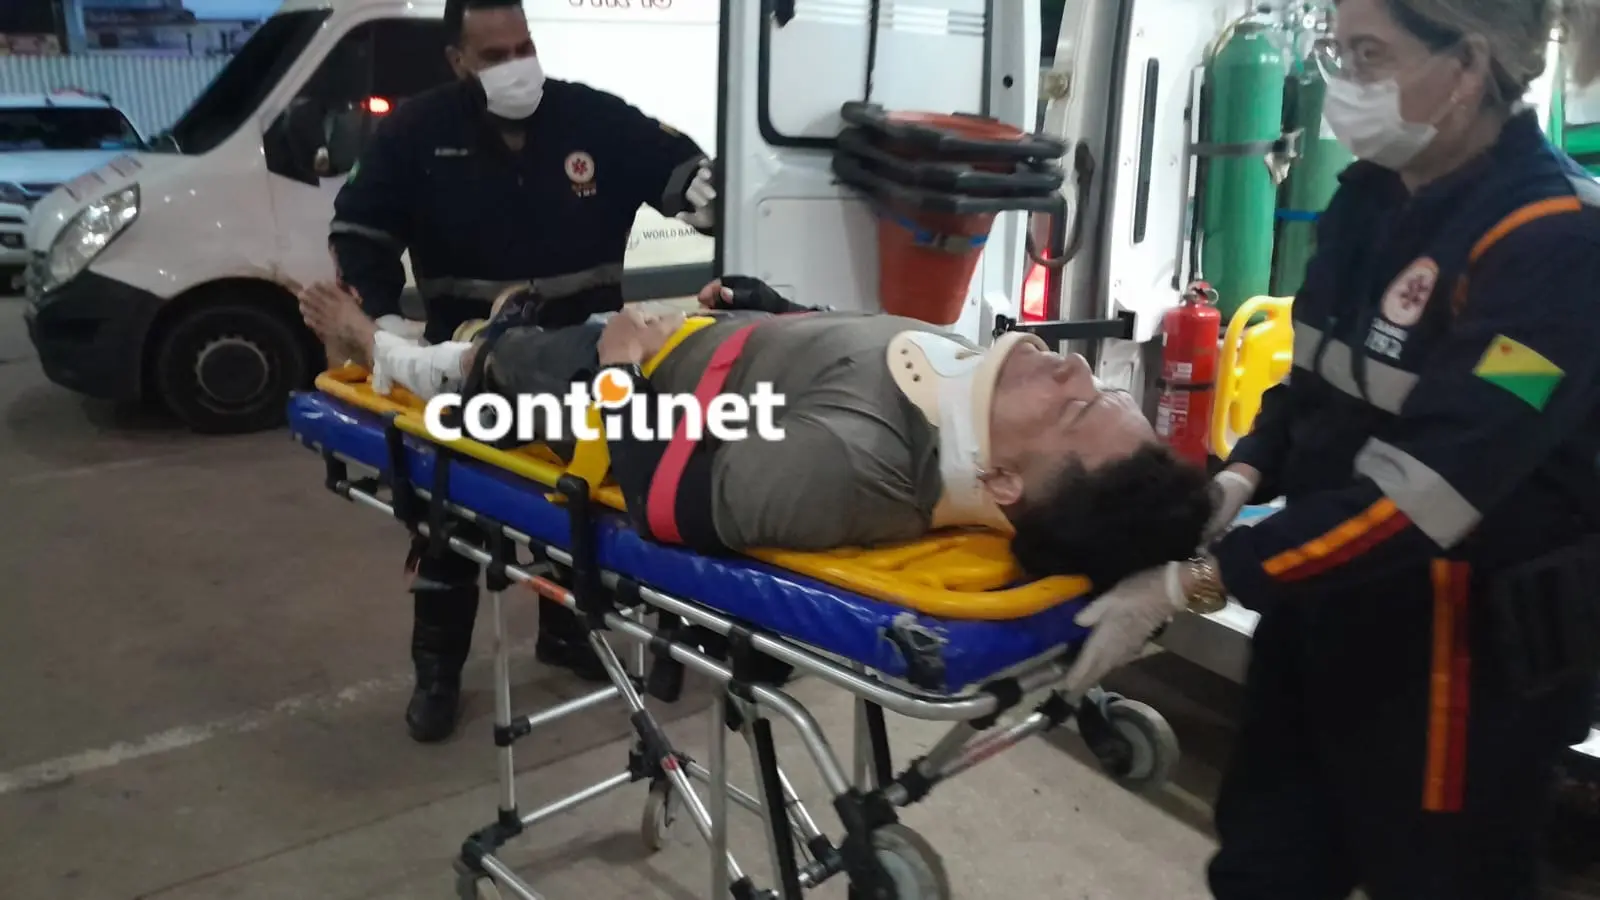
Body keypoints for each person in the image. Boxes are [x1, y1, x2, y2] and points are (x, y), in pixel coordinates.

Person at [1061, 1, 1600, 897]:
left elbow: (1424, 495)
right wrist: (1244, 472)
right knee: (1263, 863)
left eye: (1369, 54)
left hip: (1455, 663)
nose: (1343, 81)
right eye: (1336, 51)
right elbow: (1315, 381)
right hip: (1321, 610)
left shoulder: (1556, 247)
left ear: (1467, 68)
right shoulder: (1371, 199)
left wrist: (1196, 583)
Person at [315, 0, 718, 744]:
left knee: (576, 511)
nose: (516, 67)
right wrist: (385, 326)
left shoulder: (591, 118)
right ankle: (437, 669)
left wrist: (704, 186)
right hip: (472, 360)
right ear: (458, 62)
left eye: (524, 48)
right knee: (449, 521)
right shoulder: (415, 134)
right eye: (495, 56)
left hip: (580, 362)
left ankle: (565, 634)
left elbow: (679, 167)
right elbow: (358, 231)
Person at [299, 274, 1215, 585]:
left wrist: (620, 369)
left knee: (491, 366)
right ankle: (476, 337)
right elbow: (856, 345)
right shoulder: (970, 388)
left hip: (610, 390)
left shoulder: (861, 466)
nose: (1074, 370)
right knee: (530, 333)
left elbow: (667, 501)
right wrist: (774, 308)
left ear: (1003, 483)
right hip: (710, 337)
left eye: (1077, 408)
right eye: (1102, 385)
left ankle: (387, 352)